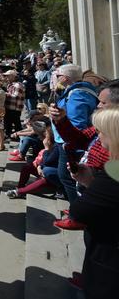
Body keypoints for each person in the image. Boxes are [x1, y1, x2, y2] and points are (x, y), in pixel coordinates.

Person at [68, 106, 119, 299]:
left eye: (102, 132)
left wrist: (91, 185)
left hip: (110, 262)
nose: (98, 137)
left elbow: (79, 211)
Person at [51, 64, 98, 208]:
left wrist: (69, 143)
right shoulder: (75, 91)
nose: (54, 79)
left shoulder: (77, 94)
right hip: (66, 140)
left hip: (68, 142)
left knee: (67, 177)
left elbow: (77, 123)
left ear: (65, 78)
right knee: (66, 176)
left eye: (57, 77)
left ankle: (76, 212)